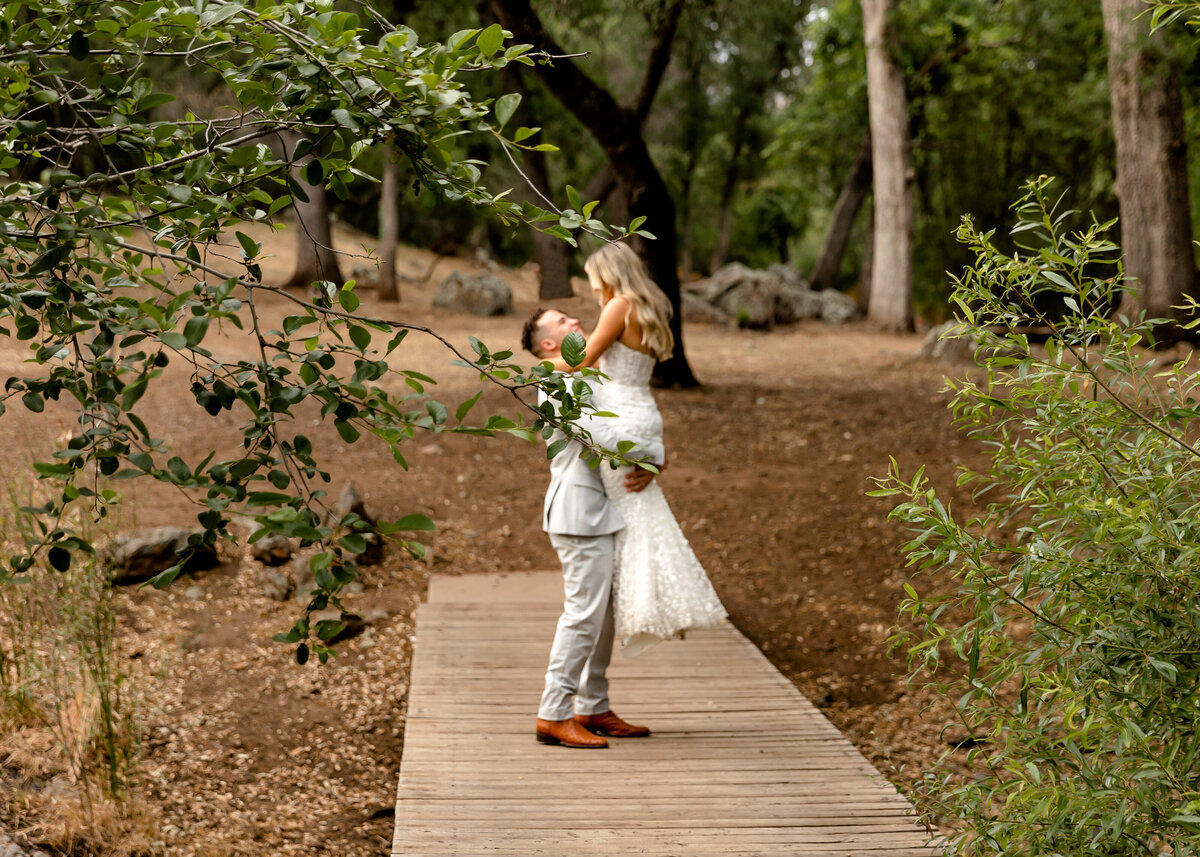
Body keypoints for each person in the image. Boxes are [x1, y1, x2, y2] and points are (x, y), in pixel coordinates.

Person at [548, 242, 726, 658]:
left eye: (594, 282)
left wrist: (532, 368)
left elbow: (584, 358)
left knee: (632, 522)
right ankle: (656, 601)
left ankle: (646, 606)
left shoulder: (619, 306)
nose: (594, 292)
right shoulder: (648, 308)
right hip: (643, 411)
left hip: (622, 418)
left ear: (608, 275)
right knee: (641, 514)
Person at [520, 307, 661, 749]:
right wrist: (655, 451)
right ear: (547, 344)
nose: (574, 321)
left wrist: (654, 456)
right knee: (582, 615)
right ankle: (553, 713)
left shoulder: (586, 375)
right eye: (562, 322)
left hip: (600, 509)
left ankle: (593, 706)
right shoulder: (555, 381)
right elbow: (598, 435)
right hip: (577, 511)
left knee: (602, 617)